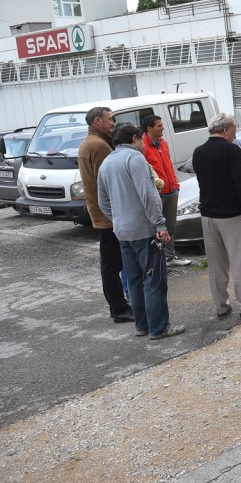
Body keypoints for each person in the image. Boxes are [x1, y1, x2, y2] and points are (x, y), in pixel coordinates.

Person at [97, 123, 185, 340]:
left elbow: (103, 201)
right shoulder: (135, 159)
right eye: (141, 140)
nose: (144, 145)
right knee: (154, 280)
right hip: (145, 230)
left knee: (135, 281)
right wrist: (160, 224)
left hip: (123, 231)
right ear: (135, 138)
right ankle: (159, 328)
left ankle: (142, 325)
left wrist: (118, 219)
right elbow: (149, 194)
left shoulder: (107, 162)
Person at [191, 113, 241, 321]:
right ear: (226, 129)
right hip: (232, 215)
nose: (235, 134)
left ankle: (221, 306)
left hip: (208, 215)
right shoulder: (232, 150)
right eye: (234, 130)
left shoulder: (198, 151)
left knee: (216, 264)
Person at [78, 106, 134, 323]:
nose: (113, 123)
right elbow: (110, 183)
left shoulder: (92, 142)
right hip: (108, 216)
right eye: (109, 119)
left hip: (104, 214)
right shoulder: (99, 145)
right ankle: (119, 308)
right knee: (112, 265)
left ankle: (119, 306)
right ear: (97, 122)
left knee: (111, 264)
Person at [141, 114, 191, 267]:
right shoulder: (143, 146)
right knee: (156, 228)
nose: (163, 128)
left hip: (171, 190)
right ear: (149, 128)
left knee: (171, 227)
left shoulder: (163, 143)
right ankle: (158, 261)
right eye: (159, 125)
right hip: (157, 193)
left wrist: (175, 185)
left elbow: (168, 164)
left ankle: (170, 257)